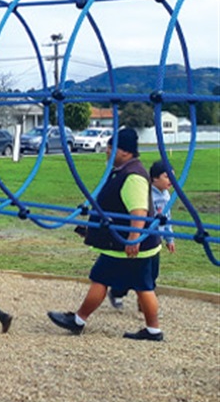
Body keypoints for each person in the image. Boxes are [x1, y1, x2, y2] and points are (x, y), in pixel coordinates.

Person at [48, 127, 167, 341]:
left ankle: (79, 320)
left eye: (111, 148)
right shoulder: (126, 170)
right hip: (128, 243)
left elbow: (139, 210)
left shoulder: (133, 176)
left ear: (124, 152)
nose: (107, 152)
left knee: (104, 278)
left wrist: (133, 238)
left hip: (130, 244)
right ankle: (152, 330)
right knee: (141, 286)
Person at [110, 159, 178, 310]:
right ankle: (117, 292)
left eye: (173, 177)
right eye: (167, 176)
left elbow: (167, 219)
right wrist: (136, 237)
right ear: (154, 178)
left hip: (156, 241)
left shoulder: (166, 196)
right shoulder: (146, 194)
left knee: (153, 272)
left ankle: (144, 303)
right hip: (143, 238)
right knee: (133, 270)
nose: (171, 181)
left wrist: (169, 238)